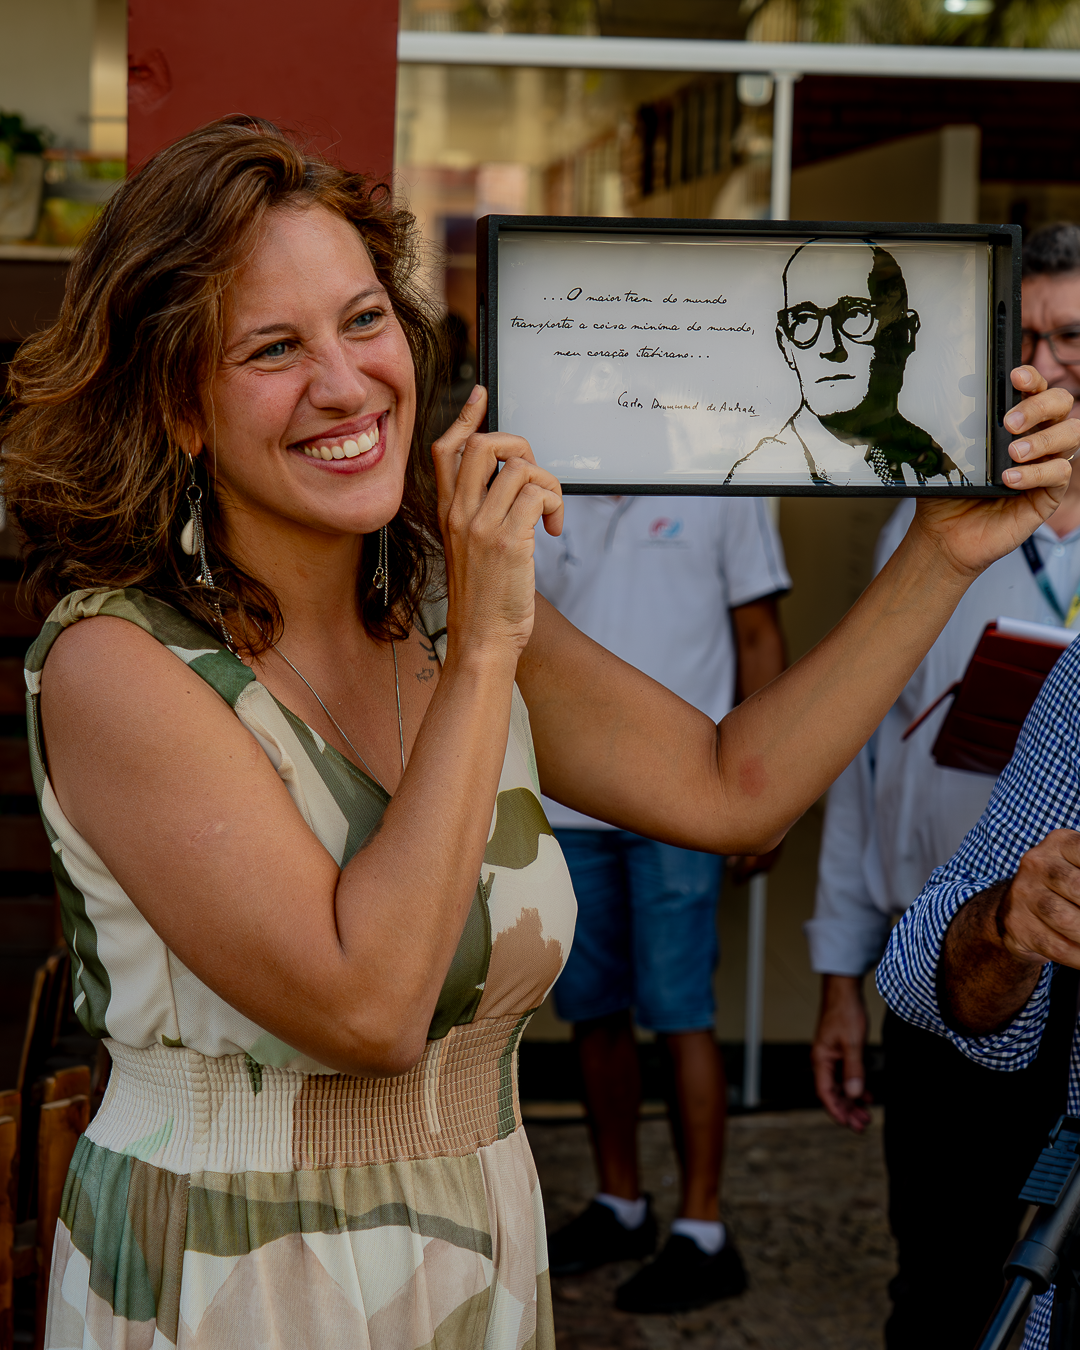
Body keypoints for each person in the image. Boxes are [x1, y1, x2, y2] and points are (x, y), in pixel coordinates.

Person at [2, 117, 1075, 1350]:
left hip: (473, 1255)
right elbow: (370, 1007)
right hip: (235, 1276)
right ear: (179, 404)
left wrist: (943, 552)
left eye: (364, 321)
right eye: (271, 349)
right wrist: (491, 650)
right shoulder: (115, 663)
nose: (345, 384)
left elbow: (734, 787)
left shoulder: (443, 602)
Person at [809, 220, 1080, 1350]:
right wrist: (840, 969)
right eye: (1026, 337)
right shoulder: (934, 523)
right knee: (942, 1290)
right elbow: (857, 753)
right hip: (960, 960)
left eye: (1075, 337)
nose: (1047, 365)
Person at [533, 496, 788, 1313]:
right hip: (565, 803)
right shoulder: (543, 473)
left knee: (681, 1013)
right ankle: (621, 1204)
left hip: (683, 800)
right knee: (593, 1011)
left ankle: (703, 1230)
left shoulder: (723, 480)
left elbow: (756, 635)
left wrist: (767, 790)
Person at [725, 241, 964, 488]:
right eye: (804, 321)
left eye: (854, 315)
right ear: (785, 344)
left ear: (904, 333)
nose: (830, 347)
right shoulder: (759, 473)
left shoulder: (943, 470)